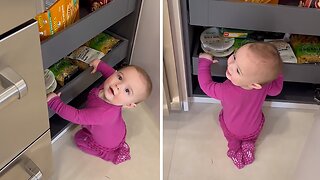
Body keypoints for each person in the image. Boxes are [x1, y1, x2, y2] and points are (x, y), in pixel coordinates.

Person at [47, 59, 152, 164]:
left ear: (129, 105)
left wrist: (54, 103)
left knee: (79, 138)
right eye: (120, 77)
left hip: (106, 142)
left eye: (127, 90)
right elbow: (111, 73)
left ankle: (108, 155)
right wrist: (100, 65)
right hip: (115, 130)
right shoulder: (111, 88)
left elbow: (76, 116)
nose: (118, 85)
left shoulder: (103, 114)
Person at [198, 42, 283, 169]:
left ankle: (234, 148)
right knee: (251, 136)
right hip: (254, 128)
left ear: (254, 84)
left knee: (230, 134)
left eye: (238, 70)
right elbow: (276, 90)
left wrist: (204, 62)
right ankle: (249, 144)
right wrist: (278, 74)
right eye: (235, 56)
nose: (231, 65)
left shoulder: (226, 89)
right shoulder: (264, 85)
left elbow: (206, 85)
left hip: (232, 129)